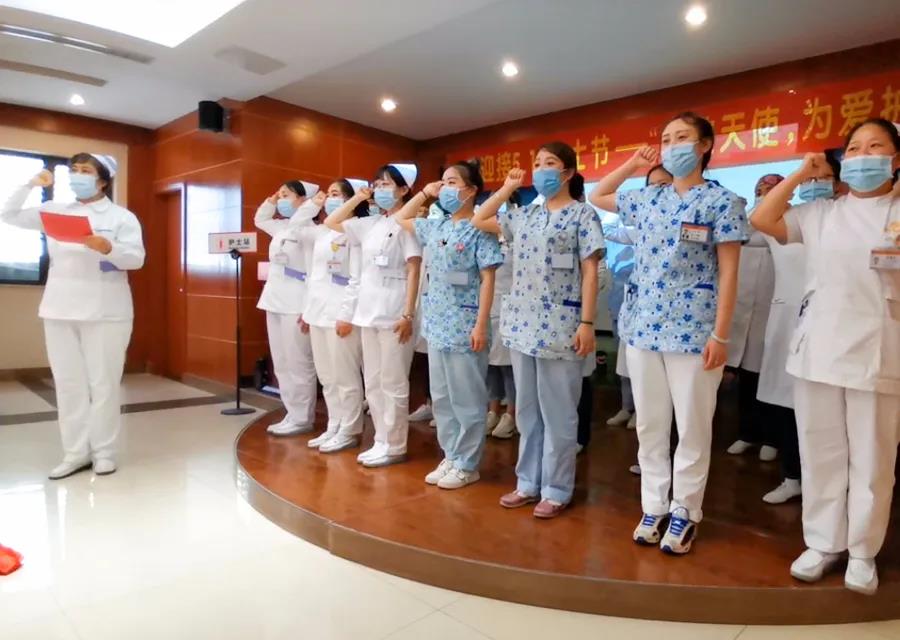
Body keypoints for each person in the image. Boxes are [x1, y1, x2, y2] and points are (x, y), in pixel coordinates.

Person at [751, 118, 900, 596]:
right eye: (854, 148)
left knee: (872, 460)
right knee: (821, 453)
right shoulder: (821, 213)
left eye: (875, 147)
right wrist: (800, 174)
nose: (862, 156)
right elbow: (763, 219)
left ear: (895, 159)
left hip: (878, 352)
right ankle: (822, 543)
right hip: (817, 350)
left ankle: (862, 552)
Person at [590, 112, 748, 554]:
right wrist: (633, 165)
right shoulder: (648, 198)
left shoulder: (723, 201)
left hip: (695, 332)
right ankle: (654, 505)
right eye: (666, 139)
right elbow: (598, 194)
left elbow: (730, 272)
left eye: (682, 137)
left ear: (705, 145)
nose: (672, 146)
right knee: (651, 424)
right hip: (643, 328)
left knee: (693, 425)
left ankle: (686, 510)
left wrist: (721, 335)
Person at [474, 141, 604, 519]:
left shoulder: (583, 215)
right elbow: (480, 218)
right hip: (522, 325)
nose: (541, 169)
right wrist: (507, 188)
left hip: (563, 327)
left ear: (567, 173)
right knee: (527, 411)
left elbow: (591, 272)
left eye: (550, 163)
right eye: (537, 163)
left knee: (559, 413)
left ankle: (557, 488)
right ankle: (527, 482)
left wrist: (587, 323)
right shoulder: (524, 215)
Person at [2, 154, 144, 478]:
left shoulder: (121, 217)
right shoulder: (55, 210)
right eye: (74, 170)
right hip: (59, 308)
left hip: (106, 311)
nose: (77, 176)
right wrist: (29, 184)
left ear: (102, 180)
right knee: (68, 384)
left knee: (103, 384)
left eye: (86, 171)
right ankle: (75, 453)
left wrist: (109, 248)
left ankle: (104, 452)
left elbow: (137, 259)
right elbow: (7, 214)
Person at [395, 160, 503, 489]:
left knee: (466, 399)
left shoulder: (480, 228)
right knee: (441, 397)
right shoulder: (438, 227)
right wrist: (425, 193)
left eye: (452, 182)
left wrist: (481, 325)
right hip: (437, 324)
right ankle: (451, 455)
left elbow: (487, 280)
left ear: (471, 191)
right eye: (442, 182)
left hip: (466, 325)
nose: (445, 188)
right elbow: (402, 218)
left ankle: (468, 464)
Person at [325, 163, 422, 468]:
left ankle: (395, 444)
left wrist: (408, 314)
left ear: (404, 190)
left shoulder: (408, 222)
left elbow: (414, 269)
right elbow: (332, 220)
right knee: (374, 382)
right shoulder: (371, 223)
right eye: (377, 185)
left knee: (393, 382)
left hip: (395, 313)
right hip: (368, 313)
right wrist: (358, 197)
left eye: (386, 185)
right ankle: (381, 439)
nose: (380, 190)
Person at [757, 156, 841, 505]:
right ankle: (792, 476)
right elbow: (760, 217)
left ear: (839, 182)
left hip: (833, 325)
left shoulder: (843, 218)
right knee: (789, 403)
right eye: (809, 178)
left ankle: (827, 487)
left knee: (827, 412)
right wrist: (799, 174)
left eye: (824, 177)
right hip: (789, 319)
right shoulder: (793, 219)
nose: (815, 183)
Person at [292, 179, 368, 453]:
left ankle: (350, 429)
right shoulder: (323, 232)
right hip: (317, 313)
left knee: (345, 377)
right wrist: (307, 310)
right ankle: (334, 424)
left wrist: (347, 314)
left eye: (336, 194)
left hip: (341, 315)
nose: (330, 198)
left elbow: (357, 279)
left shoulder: (355, 231)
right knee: (327, 377)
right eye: (329, 194)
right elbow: (296, 230)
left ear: (352, 200)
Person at [604, 164, 673, 431]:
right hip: (629, 307)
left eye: (664, 185)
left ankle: (645, 413)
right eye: (652, 186)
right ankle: (627, 407)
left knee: (656, 375)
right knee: (626, 364)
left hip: (664, 314)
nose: (658, 191)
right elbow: (608, 227)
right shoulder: (636, 228)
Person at [255, 180, 320, 437]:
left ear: (304, 200)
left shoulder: (310, 231)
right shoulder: (281, 227)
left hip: (297, 303)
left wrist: (309, 308)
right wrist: (272, 200)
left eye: (287, 195)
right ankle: (291, 412)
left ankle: (303, 417)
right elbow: (260, 219)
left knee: (298, 363)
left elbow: (315, 272)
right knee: (281, 363)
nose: (281, 199)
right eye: (279, 195)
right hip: (274, 300)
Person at [726, 174, 783, 462]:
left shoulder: (788, 221)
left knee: (770, 379)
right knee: (747, 379)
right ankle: (747, 433)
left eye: (772, 189)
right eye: (761, 189)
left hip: (774, 311)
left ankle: (772, 438)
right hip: (742, 309)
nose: (765, 193)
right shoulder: (744, 218)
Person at [486, 196, 518, 439]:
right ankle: (493, 409)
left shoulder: (518, 243)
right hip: (488, 309)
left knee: (508, 367)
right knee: (490, 365)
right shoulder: (486, 241)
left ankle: (511, 415)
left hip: (511, 311)